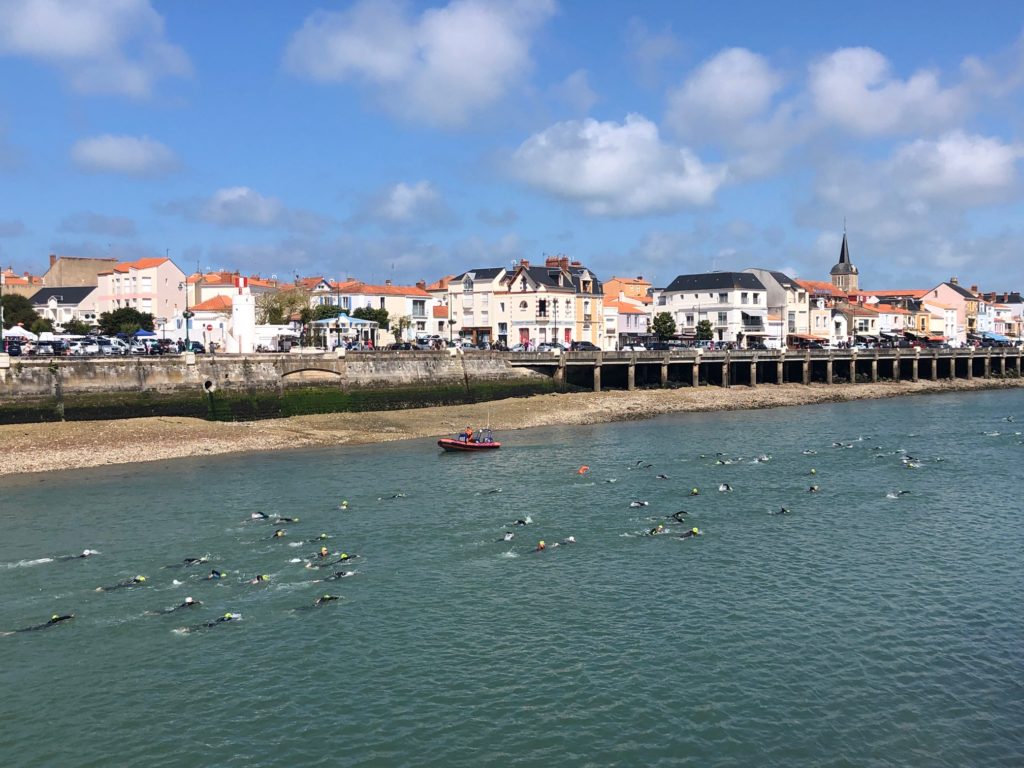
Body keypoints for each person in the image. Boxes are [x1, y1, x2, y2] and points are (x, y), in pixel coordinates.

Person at [3, 614, 75, 634]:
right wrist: (71, 617)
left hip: (41, 626)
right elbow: (64, 617)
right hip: (43, 627)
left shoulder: (50, 621)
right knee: (28, 631)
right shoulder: (57, 621)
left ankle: (12, 632)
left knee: (26, 630)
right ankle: (12, 632)